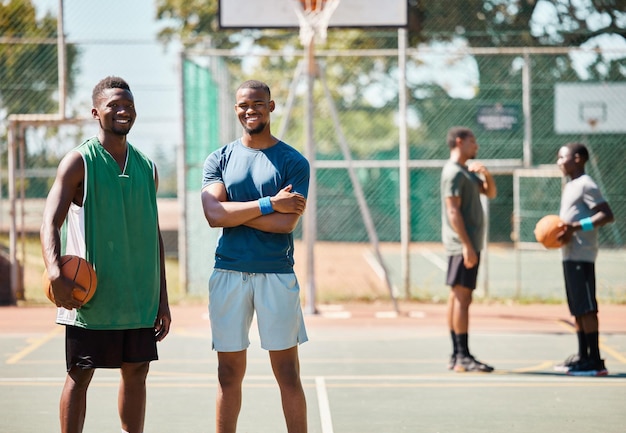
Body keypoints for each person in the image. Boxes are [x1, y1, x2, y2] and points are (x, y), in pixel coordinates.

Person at [40, 76, 171, 433]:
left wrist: (162, 299)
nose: (123, 110)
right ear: (96, 112)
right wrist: (55, 272)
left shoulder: (148, 167)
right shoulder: (79, 161)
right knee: (80, 374)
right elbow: (49, 222)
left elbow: (153, 236)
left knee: (137, 373)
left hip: (139, 296)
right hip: (91, 297)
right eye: (114, 105)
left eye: (128, 104)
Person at [201, 80, 309, 433]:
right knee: (227, 374)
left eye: (259, 104)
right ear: (236, 109)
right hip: (229, 273)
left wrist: (238, 211)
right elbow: (214, 215)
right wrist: (269, 203)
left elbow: (286, 223)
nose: (251, 110)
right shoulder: (219, 158)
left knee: (288, 373)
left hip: (276, 274)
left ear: (271, 106)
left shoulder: (294, 162)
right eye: (245, 105)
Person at [553, 142, 614, 376]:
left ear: (578, 158)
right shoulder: (571, 185)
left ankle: (595, 360)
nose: (559, 162)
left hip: (582, 255)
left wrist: (576, 226)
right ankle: (583, 355)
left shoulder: (586, 184)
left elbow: (607, 215)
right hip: (569, 254)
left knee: (587, 308)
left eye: (562, 157)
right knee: (577, 308)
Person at [441, 127, 497, 373]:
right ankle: (462, 355)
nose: (477, 146)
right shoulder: (453, 172)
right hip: (462, 246)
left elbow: (491, 193)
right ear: (459, 142)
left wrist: (486, 174)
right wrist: (467, 246)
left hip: (468, 244)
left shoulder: (468, 172)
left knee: (459, 297)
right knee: (462, 298)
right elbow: (453, 211)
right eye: (473, 141)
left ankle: (457, 355)